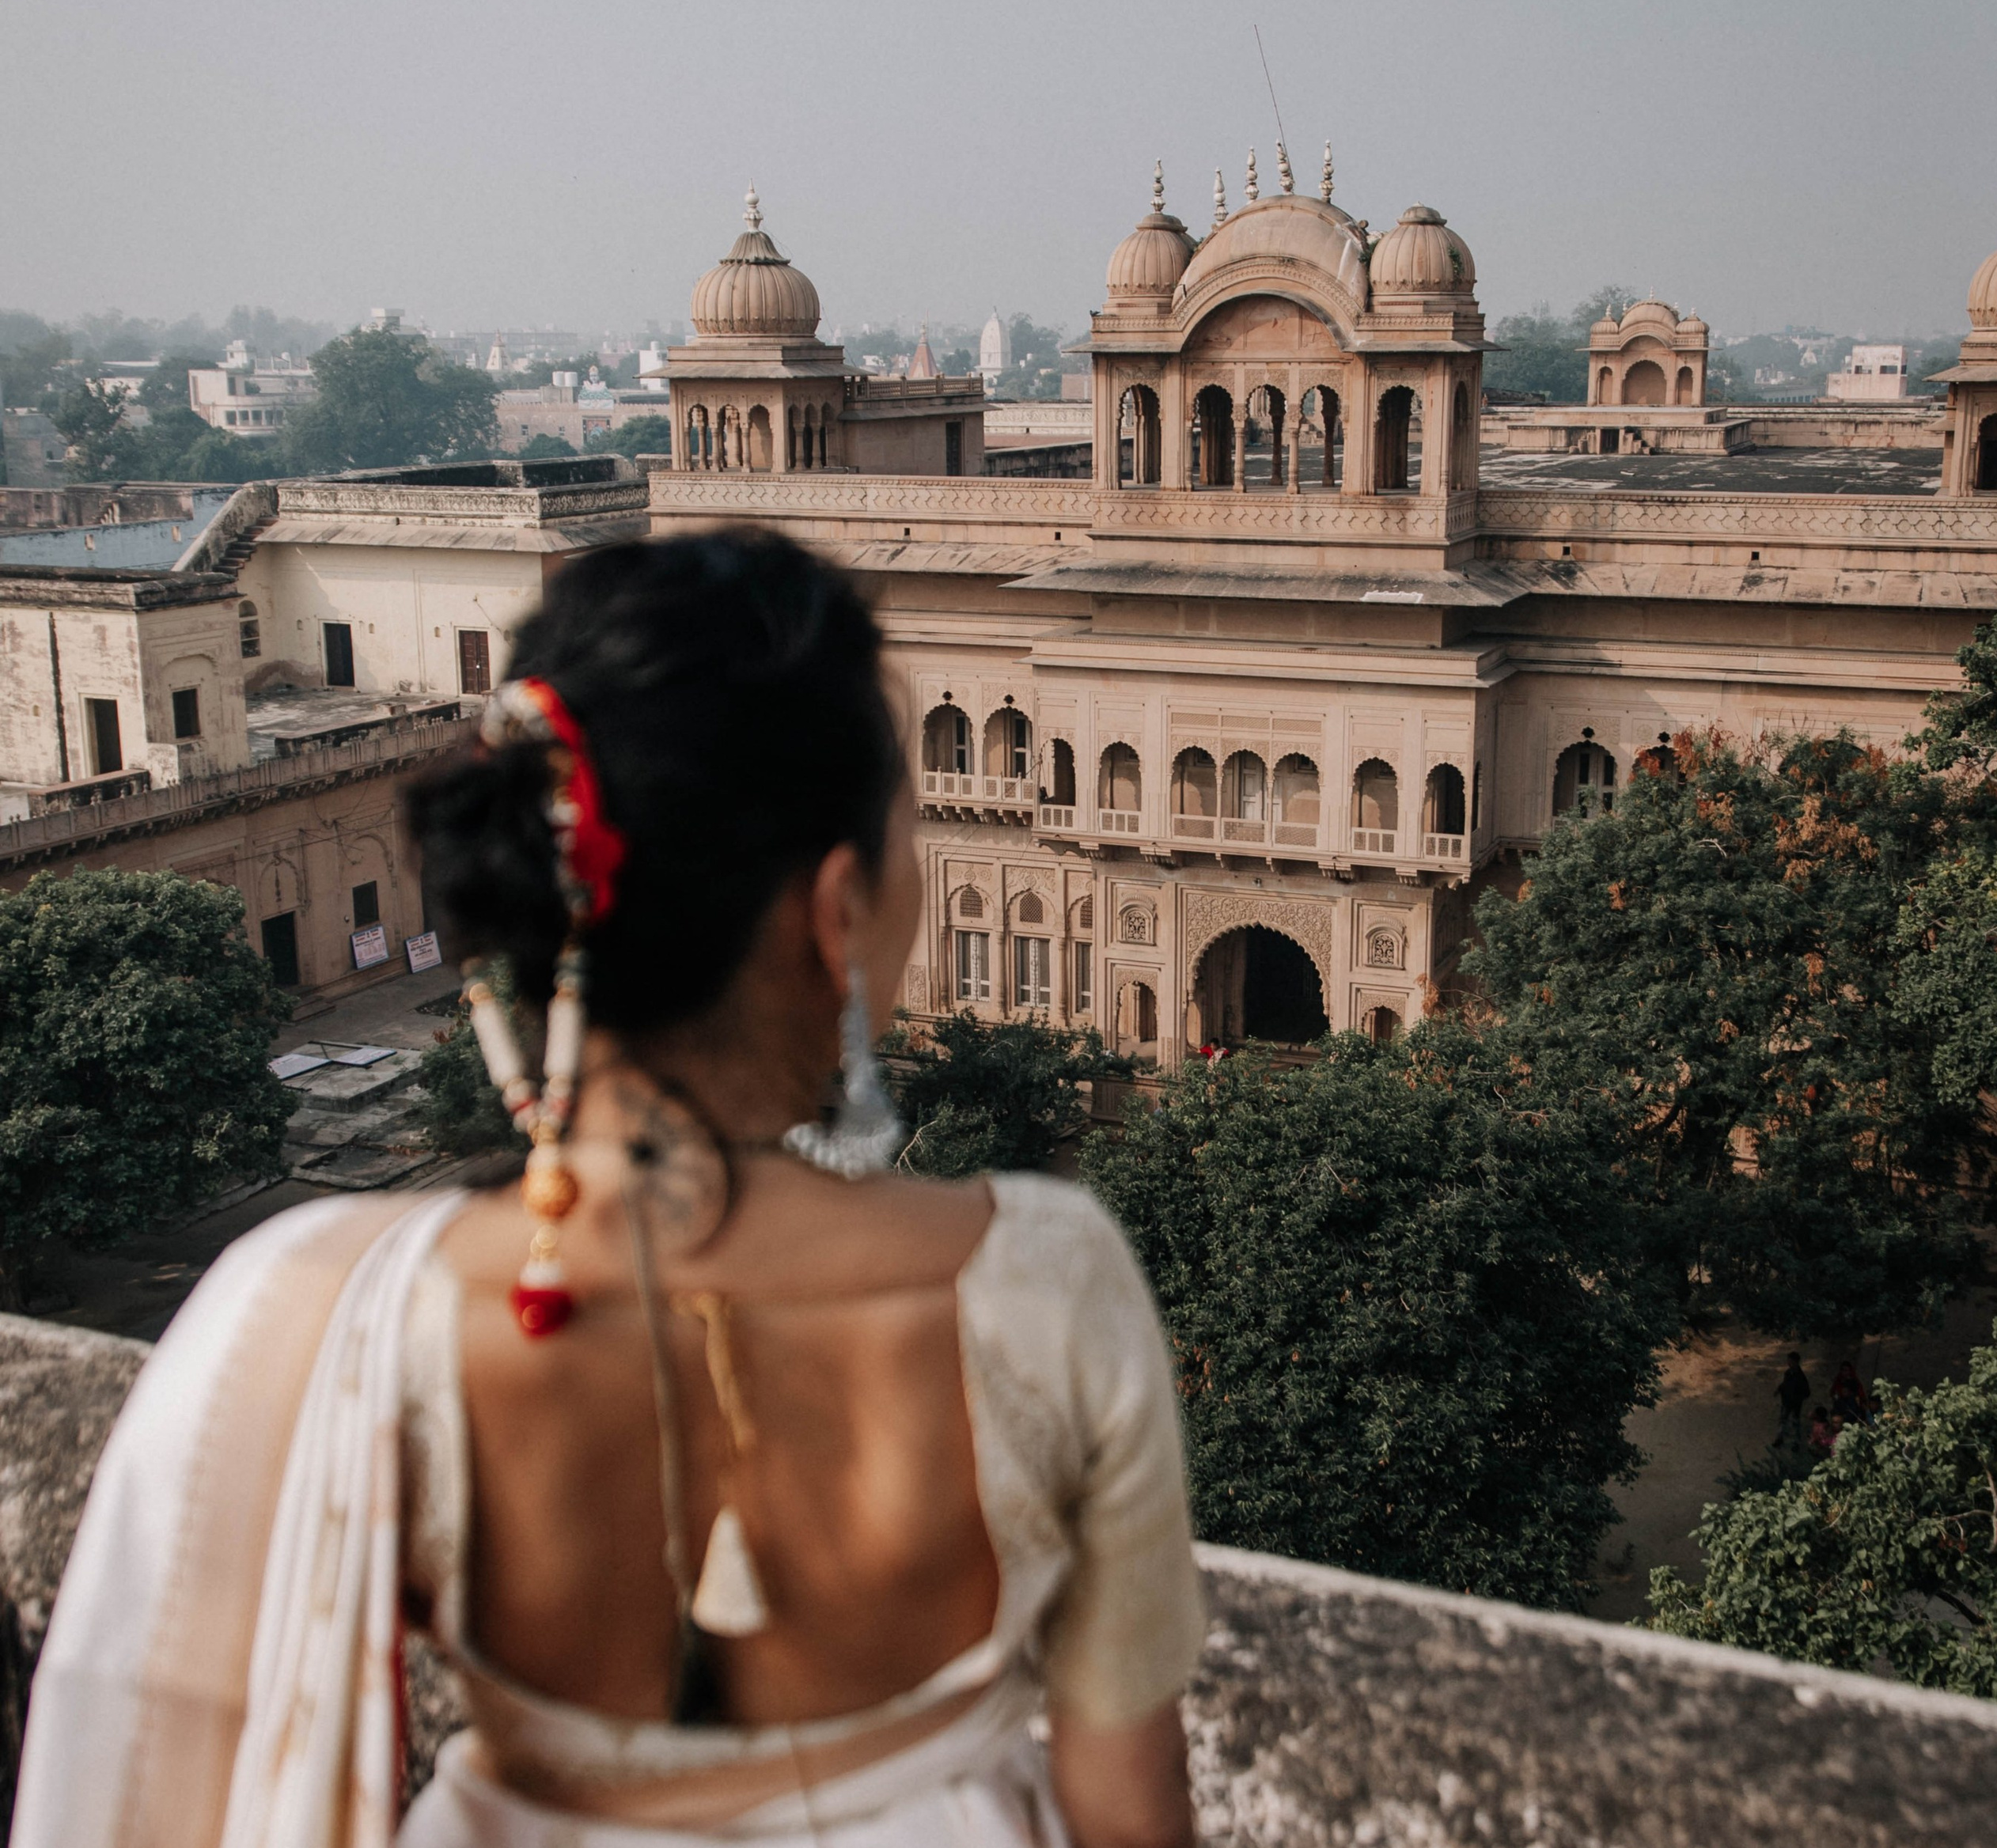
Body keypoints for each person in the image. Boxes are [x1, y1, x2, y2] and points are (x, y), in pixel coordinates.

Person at [16, 530, 1203, 1848]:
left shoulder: (329, 1313)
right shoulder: (1046, 1282)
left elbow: (153, 1733)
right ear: (835, 907)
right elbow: (1127, 1809)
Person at [1775, 1351, 1810, 1444]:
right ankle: (1780, 1438)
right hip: (1786, 1401)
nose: (1788, 1362)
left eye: (1790, 1361)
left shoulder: (1800, 1377)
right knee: (1783, 1420)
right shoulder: (1788, 1373)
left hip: (1795, 1403)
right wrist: (1779, 1390)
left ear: (1796, 1362)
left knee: (1795, 1423)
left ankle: (1796, 1442)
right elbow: (1785, 1384)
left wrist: (1798, 1399)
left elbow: (1806, 1392)